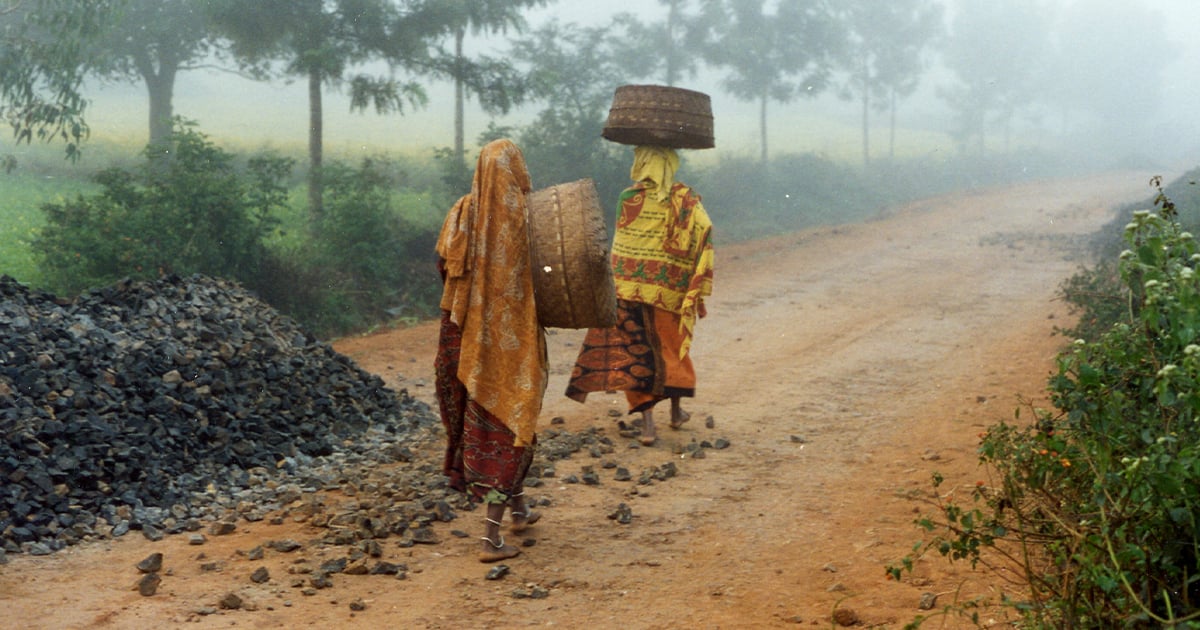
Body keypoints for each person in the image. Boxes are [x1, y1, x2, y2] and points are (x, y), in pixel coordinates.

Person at [434, 139, 547, 563]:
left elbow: (443, 266)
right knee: (510, 426)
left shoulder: (462, 211)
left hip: (459, 340)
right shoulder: (528, 216)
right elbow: (553, 276)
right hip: (509, 349)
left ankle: (519, 510)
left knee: (479, 426)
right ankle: (490, 540)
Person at [566, 145, 714, 445]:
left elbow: (621, 239)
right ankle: (675, 412)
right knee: (670, 349)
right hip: (668, 293)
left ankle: (648, 427)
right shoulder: (685, 200)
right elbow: (706, 227)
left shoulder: (628, 197)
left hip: (627, 290)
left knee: (636, 354)